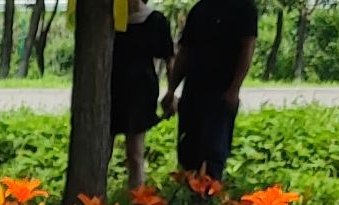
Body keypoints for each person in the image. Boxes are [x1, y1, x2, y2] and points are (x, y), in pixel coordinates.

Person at [172, 0, 255, 183]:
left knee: (213, 154)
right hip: (192, 91)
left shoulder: (244, 8)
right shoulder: (200, 9)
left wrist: (234, 89)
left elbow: (247, 48)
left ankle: (209, 201)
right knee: (188, 152)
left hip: (221, 94)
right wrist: (171, 90)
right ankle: (189, 202)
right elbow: (184, 52)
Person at [109, 0, 174, 195]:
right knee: (101, 153)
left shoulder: (156, 21)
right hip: (110, 91)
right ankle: (96, 202)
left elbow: (170, 58)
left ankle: (137, 202)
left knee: (135, 154)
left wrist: (171, 94)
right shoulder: (110, 20)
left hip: (140, 93)